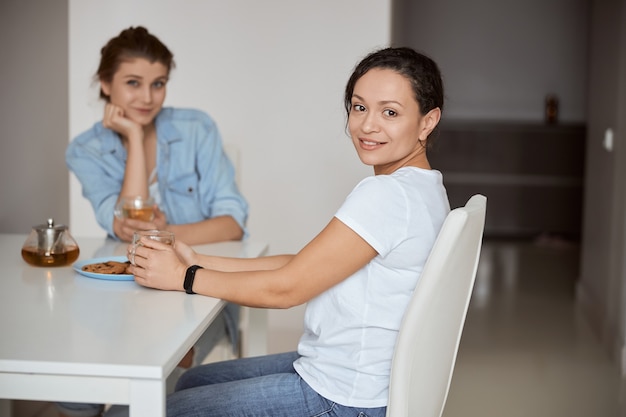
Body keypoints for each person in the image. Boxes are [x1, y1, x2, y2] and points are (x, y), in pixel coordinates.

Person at [121, 46, 450, 417]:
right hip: (357, 376)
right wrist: (199, 259)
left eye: (390, 112)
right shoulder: (424, 188)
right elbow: (305, 266)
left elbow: (287, 288)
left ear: (427, 121)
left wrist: (185, 277)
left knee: (160, 409)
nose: (367, 125)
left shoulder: (387, 194)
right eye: (359, 107)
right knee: (191, 382)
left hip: (345, 397)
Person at [61, 26, 248, 417]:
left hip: (197, 292)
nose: (148, 98)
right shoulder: (85, 150)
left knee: (140, 396)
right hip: (123, 293)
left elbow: (232, 224)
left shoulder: (196, 128)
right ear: (105, 85)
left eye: (158, 83)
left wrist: (166, 235)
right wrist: (132, 136)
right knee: (77, 395)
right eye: (133, 83)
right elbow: (126, 224)